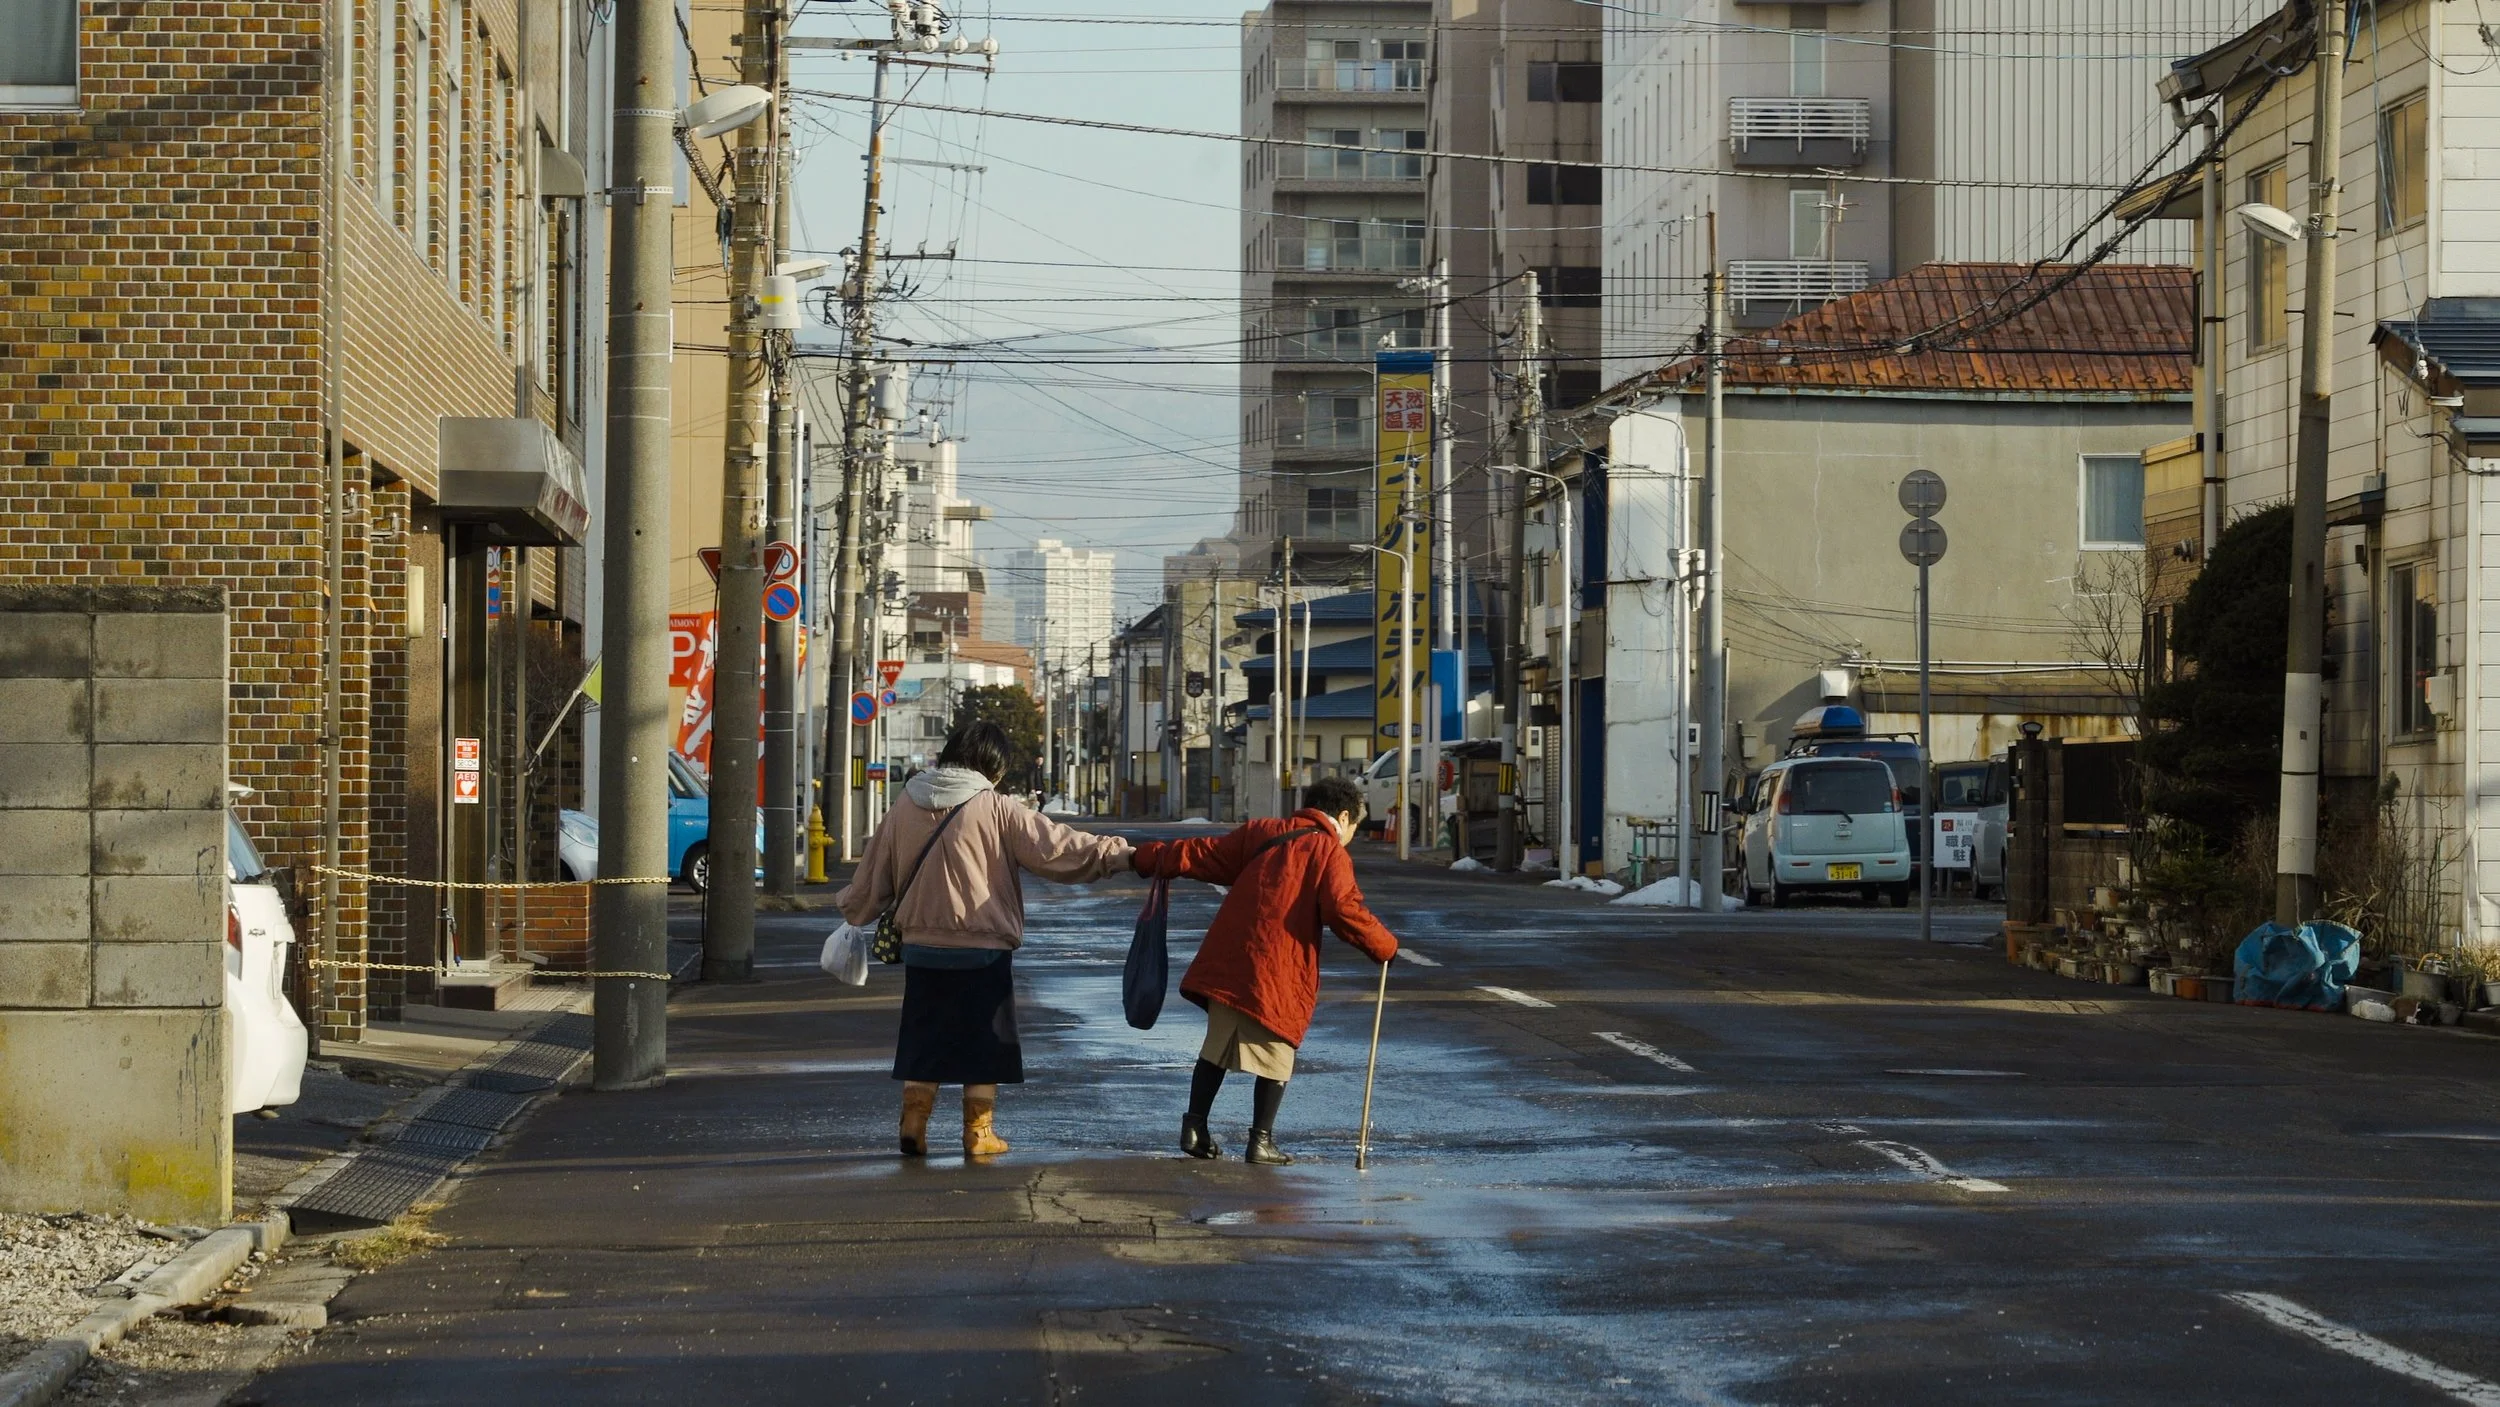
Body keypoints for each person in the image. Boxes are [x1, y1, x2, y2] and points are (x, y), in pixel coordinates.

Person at [836, 719, 1135, 1159]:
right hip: (983, 947)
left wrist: (853, 911)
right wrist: (1122, 855)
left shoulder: (904, 804)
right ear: (992, 767)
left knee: (924, 1036)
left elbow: (874, 873)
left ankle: (914, 1122)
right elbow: (1057, 848)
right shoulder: (995, 807)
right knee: (984, 1041)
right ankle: (979, 1134)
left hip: (921, 946)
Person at [1130, 775, 1398, 1166]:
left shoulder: (1263, 832)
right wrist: (1385, 946)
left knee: (1216, 1045)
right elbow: (1343, 909)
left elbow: (1202, 853)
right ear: (1343, 816)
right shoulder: (1328, 851)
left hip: (1230, 956)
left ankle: (1194, 1126)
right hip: (1278, 967)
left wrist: (1145, 857)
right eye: (1354, 825)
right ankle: (1261, 1140)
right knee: (1278, 1047)